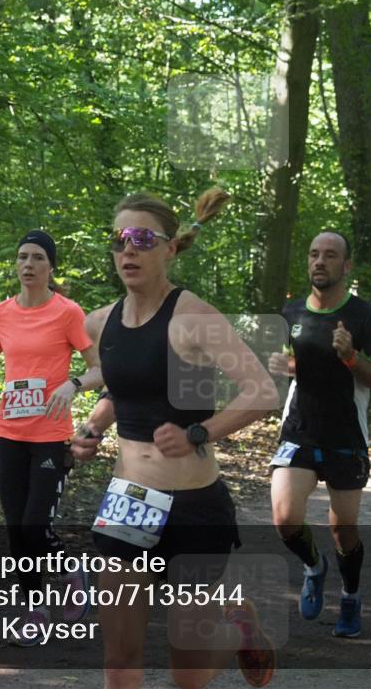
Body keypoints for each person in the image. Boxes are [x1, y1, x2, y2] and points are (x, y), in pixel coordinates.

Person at [70, 189, 280, 689]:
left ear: (168, 248)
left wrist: (198, 432)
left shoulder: (193, 317)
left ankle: (235, 626)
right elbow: (125, 391)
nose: (128, 250)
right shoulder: (99, 324)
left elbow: (261, 391)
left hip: (192, 509)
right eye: (120, 239)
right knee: (119, 659)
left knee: (185, 674)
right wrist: (92, 428)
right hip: (129, 503)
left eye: (142, 239)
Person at [0, 230, 103, 644]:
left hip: (49, 437)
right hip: (7, 435)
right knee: (17, 530)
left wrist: (74, 383)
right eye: (22, 256)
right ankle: (35, 608)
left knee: (35, 525)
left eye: (38, 257)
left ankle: (70, 573)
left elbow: (100, 368)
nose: (28, 264)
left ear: (50, 266)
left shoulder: (68, 312)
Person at [267, 232, 371, 639]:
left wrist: (351, 356)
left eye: (330, 255)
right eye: (314, 254)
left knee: (344, 529)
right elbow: (292, 367)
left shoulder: (365, 316)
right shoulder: (292, 311)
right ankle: (313, 566)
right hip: (300, 428)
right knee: (285, 519)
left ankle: (351, 597)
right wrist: (281, 365)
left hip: (346, 435)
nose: (320, 261)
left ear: (346, 266)